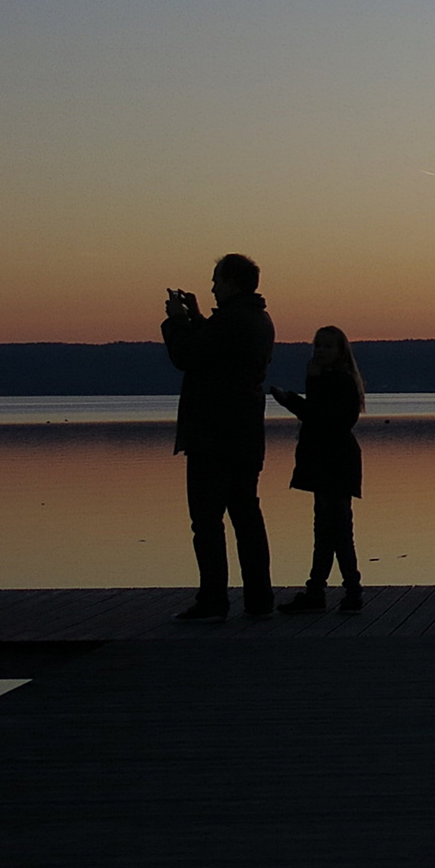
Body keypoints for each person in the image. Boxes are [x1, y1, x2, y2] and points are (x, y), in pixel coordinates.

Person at [161, 253, 274, 621]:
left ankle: (213, 600)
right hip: (243, 435)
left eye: (217, 280)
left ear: (234, 283)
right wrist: (197, 317)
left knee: (207, 522)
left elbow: (188, 355)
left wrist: (177, 322)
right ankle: (259, 598)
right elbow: (215, 351)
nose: (212, 286)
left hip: (213, 436)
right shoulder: (254, 318)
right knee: (246, 518)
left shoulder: (232, 321)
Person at [269, 326, 365, 615]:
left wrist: (294, 400)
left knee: (335, 531)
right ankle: (320, 591)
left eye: (327, 346)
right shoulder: (328, 381)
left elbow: (325, 418)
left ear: (340, 352)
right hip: (328, 463)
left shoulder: (339, 382)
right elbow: (319, 414)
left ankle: (350, 590)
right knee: (326, 531)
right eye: (318, 346)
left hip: (334, 464)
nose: (321, 351)